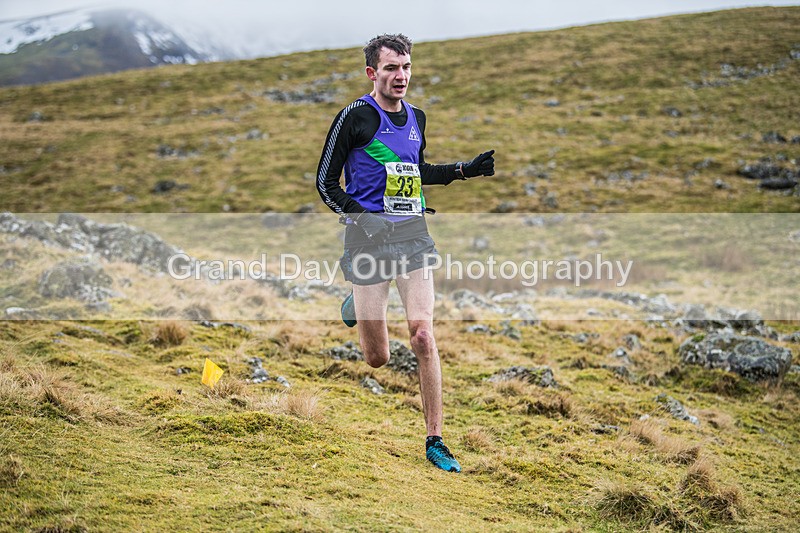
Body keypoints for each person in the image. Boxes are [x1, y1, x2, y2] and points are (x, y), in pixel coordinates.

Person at [315, 33, 495, 473]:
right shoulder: (355, 117)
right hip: (367, 240)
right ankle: (357, 299)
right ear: (372, 73)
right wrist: (361, 216)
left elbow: (414, 171)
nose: (402, 76)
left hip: (413, 233)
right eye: (392, 68)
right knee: (377, 357)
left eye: (407, 67)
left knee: (422, 335)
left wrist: (460, 171)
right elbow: (326, 183)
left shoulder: (417, 117)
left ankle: (435, 439)